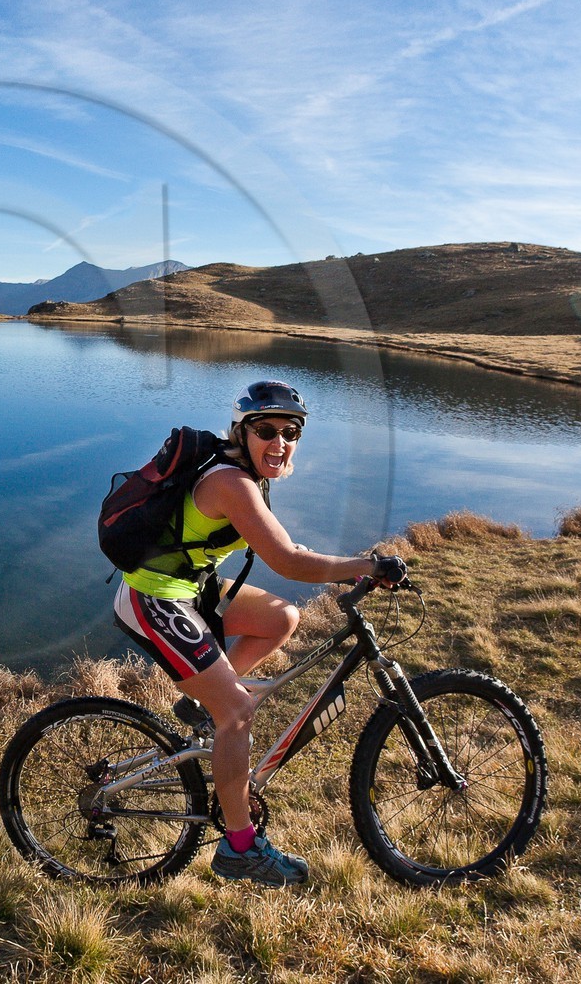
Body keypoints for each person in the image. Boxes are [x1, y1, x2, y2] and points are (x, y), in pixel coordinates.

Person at [112, 380, 406, 887]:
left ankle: (208, 703)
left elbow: (283, 545)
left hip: (190, 589)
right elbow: (287, 561)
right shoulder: (233, 482)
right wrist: (368, 563)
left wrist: (344, 569)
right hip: (152, 598)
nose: (280, 442)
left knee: (281, 619)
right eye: (266, 430)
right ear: (241, 431)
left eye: (292, 432)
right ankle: (239, 848)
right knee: (239, 713)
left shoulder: (246, 474)